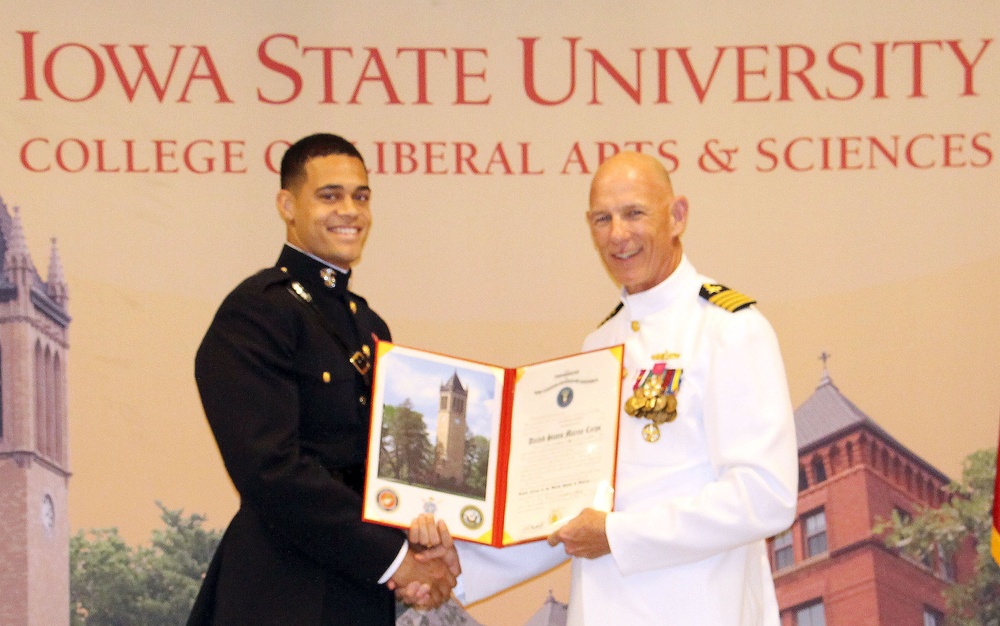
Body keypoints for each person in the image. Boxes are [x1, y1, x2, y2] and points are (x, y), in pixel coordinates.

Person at [437, 151, 799, 625]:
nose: (618, 235)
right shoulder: (600, 343)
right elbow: (568, 510)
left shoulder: (729, 329)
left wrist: (619, 535)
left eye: (634, 213)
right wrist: (452, 571)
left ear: (677, 216)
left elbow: (765, 496)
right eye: (602, 219)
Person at [187, 133, 457, 626]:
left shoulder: (369, 325)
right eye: (329, 196)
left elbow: (385, 472)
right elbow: (271, 471)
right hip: (280, 593)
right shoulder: (257, 311)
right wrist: (398, 562)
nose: (349, 211)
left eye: (361, 196)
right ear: (288, 205)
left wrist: (423, 537)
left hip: (358, 590)